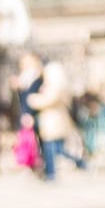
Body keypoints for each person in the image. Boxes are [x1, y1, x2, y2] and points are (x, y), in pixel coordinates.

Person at [27, 54, 85, 182]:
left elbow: (50, 99)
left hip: (54, 119)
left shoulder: (55, 84)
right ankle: (56, 170)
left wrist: (34, 100)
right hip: (52, 119)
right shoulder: (55, 82)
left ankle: (53, 172)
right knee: (55, 147)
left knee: (52, 146)